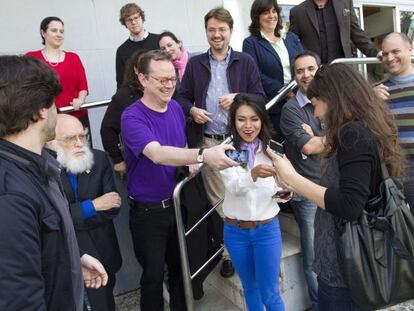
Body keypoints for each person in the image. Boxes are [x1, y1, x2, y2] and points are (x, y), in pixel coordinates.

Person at [269, 63, 404, 310]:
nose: (317, 113)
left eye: (317, 102)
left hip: (348, 270)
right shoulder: (351, 132)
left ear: (334, 99)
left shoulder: (354, 135)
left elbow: (349, 205)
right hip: (340, 262)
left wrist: (294, 178)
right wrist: (291, 181)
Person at [120, 50, 237, 311]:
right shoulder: (132, 117)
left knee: (180, 271)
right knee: (152, 277)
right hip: (148, 213)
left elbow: (179, 144)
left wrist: (191, 163)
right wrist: (202, 154)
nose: (169, 85)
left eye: (172, 79)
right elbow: (157, 153)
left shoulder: (174, 107)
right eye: (161, 80)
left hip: (177, 203)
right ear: (142, 79)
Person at [0, 55, 108, 310]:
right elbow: (19, 299)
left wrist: (73, 259)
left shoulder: (40, 164)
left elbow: (41, 240)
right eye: (53, 104)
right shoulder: (10, 195)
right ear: (40, 110)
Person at [178, 7, 266, 277]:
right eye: (211, 30)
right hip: (210, 142)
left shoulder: (245, 60)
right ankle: (231, 253)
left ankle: (247, 247)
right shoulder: (194, 64)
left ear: (230, 32)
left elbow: (260, 97)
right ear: (206, 32)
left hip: (240, 141)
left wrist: (238, 96)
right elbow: (180, 98)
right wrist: (192, 110)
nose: (216, 35)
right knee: (220, 200)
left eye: (222, 29)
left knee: (245, 190)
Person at [49, 114, 123, 311]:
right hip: (63, 258)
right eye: (70, 138)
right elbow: (51, 220)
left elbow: (113, 206)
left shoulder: (98, 159)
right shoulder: (43, 169)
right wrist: (93, 206)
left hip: (101, 250)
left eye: (82, 136)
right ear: (50, 142)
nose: (79, 143)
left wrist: (71, 216)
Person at [220, 93, 284, 310]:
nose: (248, 126)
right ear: (233, 121)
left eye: (254, 119)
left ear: (262, 120)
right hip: (235, 231)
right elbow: (234, 187)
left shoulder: (274, 149)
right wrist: (253, 174)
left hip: (267, 229)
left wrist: (286, 192)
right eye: (241, 119)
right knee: (250, 288)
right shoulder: (226, 151)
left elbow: (280, 188)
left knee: (271, 294)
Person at [280, 51, 324, 311]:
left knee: (343, 249)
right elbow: (308, 147)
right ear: (294, 75)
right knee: (314, 258)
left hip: (333, 187)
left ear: (319, 69)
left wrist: (321, 138)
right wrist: (328, 137)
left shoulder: (331, 99)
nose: (306, 75)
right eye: (300, 71)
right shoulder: (291, 110)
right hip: (307, 193)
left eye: (311, 68)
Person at [243, 0, 303, 140]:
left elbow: (303, 62)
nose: (271, 16)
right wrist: (285, 92)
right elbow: (254, 74)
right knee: (279, 149)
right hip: (274, 105)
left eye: (274, 11)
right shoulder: (251, 43)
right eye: (265, 12)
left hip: (299, 99)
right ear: (257, 17)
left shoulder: (291, 38)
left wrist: (297, 89)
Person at [26, 16, 90, 131]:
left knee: (81, 148)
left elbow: (83, 86)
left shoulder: (73, 58)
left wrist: (80, 100)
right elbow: (27, 88)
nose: (59, 34)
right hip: (47, 119)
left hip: (76, 116)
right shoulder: (32, 58)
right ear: (43, 32)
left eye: (62, 31)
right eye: (54, 30)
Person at [374, 32, 414, 213]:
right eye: (385, 53)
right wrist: (371, 102)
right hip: (398, 167)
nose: (389, 58)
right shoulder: (379, 91)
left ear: (410, 49)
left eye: (395, 51)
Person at [289, 0, 379, 64]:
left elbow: (357, 34)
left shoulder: (345, 3)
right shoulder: (297, 12)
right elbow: (292, 45)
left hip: (342, 69)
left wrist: (376, 53)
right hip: (315, 74)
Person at [101, 50, 144, 180]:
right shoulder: (124, 96)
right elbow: (107, 129)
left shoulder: (164, 92)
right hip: (138, 161)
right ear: (136, 70)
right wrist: (117, 159)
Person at [116, 3, 159, 88]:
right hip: (137, 96)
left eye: (136, 18)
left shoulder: (158, 40)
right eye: (129, 20)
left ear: (142, 18)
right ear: (125, 23)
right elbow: (121, 81)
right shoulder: (122, 50)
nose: (133, 22)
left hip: (161, 92)